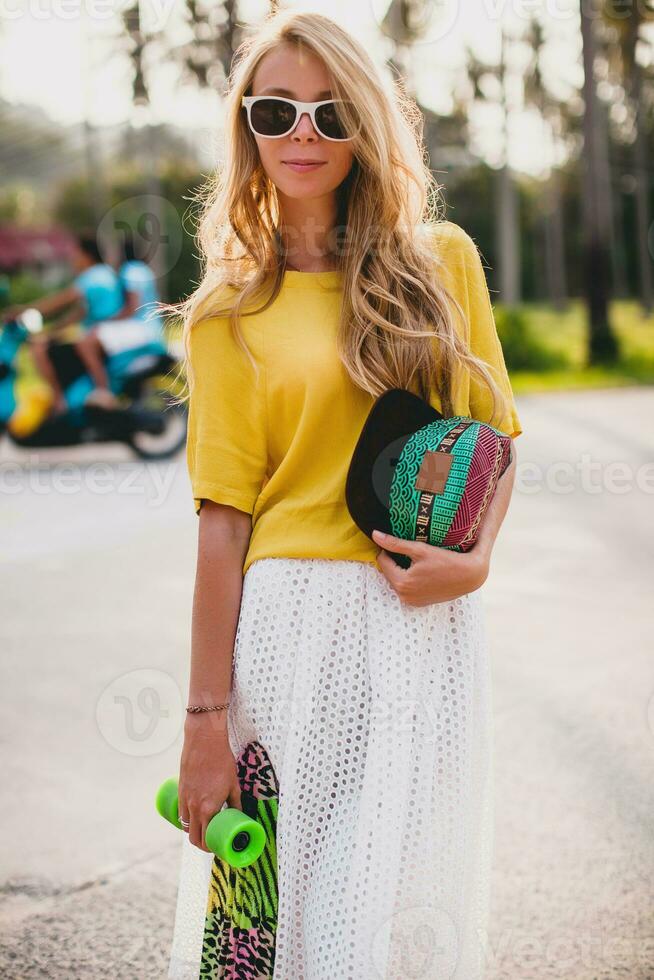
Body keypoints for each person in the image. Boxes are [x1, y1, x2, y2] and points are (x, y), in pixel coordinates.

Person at [165, 11, 523, 980]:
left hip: (420, 623)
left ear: (368, 124)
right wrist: (204, 724)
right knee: (270, 926)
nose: (303, 135)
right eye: (276, 111)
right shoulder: (228, 310)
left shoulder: (439, 261)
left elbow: (492, 441)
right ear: (247, 126)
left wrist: (475, 560)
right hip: (285, 635)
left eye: (329, 112)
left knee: (382, 911)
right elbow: (220, 523)